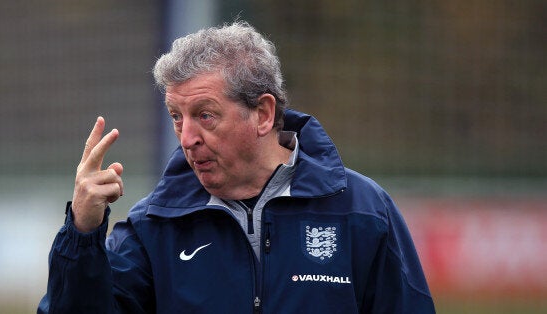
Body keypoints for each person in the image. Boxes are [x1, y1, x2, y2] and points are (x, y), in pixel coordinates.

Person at [38, 21, 435, 313]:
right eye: (177, 116)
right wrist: (83, 232)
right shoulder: (153, 227)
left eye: (205, 115)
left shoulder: (362, 211)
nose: (186, 136)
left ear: (263, 114)